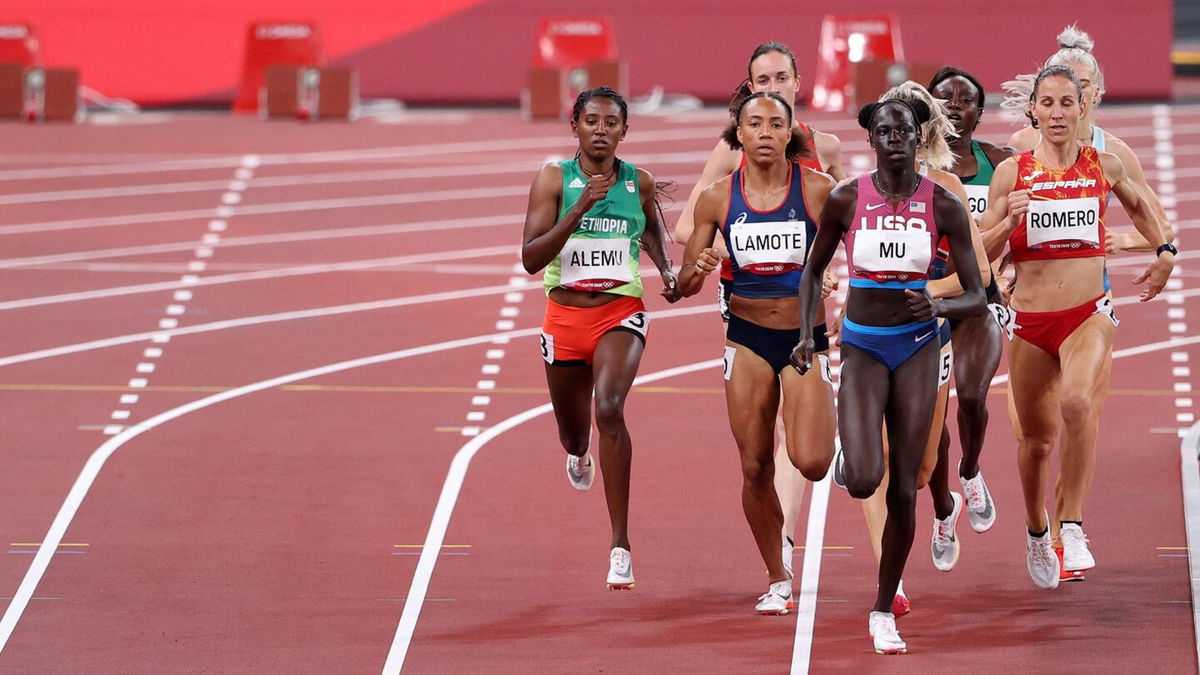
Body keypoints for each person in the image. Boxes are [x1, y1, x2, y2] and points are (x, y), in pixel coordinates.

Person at [792, 98, 987, 654]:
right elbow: (811, 272)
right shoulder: (847, 198)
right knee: (862, 480)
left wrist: (940, 306)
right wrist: (808, 333)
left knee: (905, 486)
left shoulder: (944, 205)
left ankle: (882, 610)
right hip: (863, 347)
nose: (894, 138)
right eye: (884, 131)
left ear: (918, 135)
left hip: (920, 349)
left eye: (903, 129)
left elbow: (977, 292)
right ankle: (849, 451)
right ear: (872, 140)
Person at [979, 65, 1174, 589]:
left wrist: (1163, 252)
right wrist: (1006, 223)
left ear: (1082, 108)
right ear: (1034, 111)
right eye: (1049, 103)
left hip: (1088, 312)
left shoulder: (1105, 165)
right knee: (1036, 445)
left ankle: (1074, 524)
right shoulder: (1011, 173)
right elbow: (981, 257)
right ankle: (1038, 530)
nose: (1059, 112)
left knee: (1078, 403)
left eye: (1068, 102)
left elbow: (1151, 216)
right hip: (1030, 321)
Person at [672, 41, 846, 571]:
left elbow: (855, 236)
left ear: (796, 89)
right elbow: (687, 240)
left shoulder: (822, 172)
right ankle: (777, 568)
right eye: (760, 84)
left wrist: (830, 268)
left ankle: (831, 428)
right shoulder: (724, 179)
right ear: (741, 125)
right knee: (753, 464)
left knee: (812, 460)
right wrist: (704, 259)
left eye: (779, 82)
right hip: (745, 327)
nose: (769, 97)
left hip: (805, 332)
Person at [521, 86, 679, 590]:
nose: (602, 130)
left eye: (612, 123)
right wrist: (578, 210)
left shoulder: (640, 182)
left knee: (609, 406)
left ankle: (620, 544)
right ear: (575, 127)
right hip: (564, 317)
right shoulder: (554, 179)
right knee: (574, 431)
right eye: (592, 121)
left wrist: (667, 272)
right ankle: (578, 451)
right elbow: (530, 259)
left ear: (624, 132)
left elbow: (651, 229)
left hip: (620, 311)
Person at [926, 66, 1015, 534]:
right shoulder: (909, 164)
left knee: (974, 394)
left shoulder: (1001, 162)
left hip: (979, 295)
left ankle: (971, 469)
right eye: (945, 98)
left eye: (965, 99)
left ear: (980, 111)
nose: (955, 105)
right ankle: (944, 505)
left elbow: (1015, 234)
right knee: (933, 415)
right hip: (927, 297)